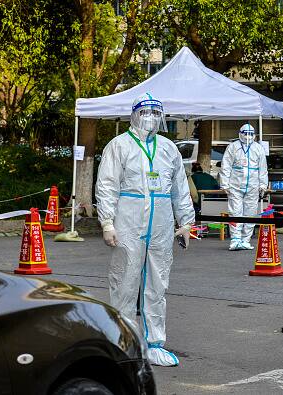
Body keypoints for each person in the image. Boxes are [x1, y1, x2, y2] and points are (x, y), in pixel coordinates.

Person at [95, 92, 195, 367]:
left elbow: (179, 187)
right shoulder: (119, 145)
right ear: (134, 114)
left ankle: (154, 343)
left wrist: (186, 221)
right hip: (129, 219)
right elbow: (107, 185)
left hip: (160, 223)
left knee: (157, 284)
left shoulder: (167, 148)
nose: (150, 118)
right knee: (125, 282)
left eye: (155, 113)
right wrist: (107, 222)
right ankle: (124, 342)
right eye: (145, 112)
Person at [220, 123, 268, 251]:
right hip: (235, 186)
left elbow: (263, 169)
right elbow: (226, 165)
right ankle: (235, 239)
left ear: (254, 135)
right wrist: (225, 183)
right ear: (240, 133)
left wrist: (263, 184)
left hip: (253, 186)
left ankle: (246, 239)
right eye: (245, 133)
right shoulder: (233, 147)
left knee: (250, 213)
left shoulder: (258, 148)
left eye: (251, 134)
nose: (248, 136)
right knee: (235, 212)